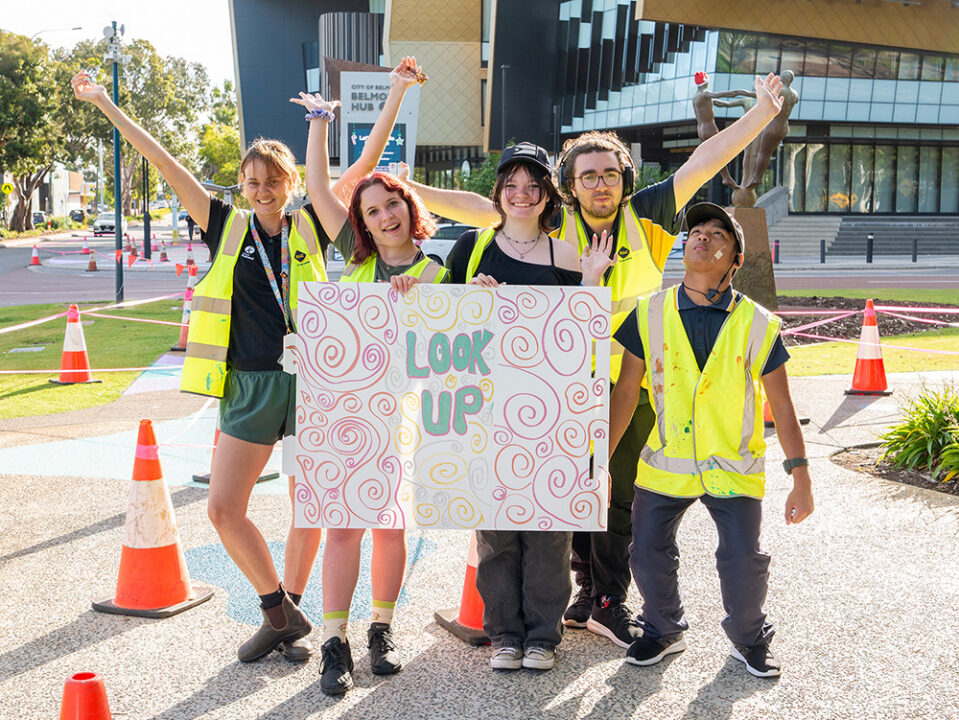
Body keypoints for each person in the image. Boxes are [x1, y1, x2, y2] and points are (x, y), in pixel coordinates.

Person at [401, 73, 785, 650]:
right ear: (570, 185)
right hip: (560, 384)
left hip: (633, 380)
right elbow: (487, 208)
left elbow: (706, 159)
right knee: (568, 491)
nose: (599, 183)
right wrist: (414, 192)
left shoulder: (649, 212)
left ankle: (609, 600)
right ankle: (582, 596)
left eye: (609, 172)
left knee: (620, 494)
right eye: (587, 175)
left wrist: (760, 115)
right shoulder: (553, 224)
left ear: (624, 178)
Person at [71, 57, 423, 666]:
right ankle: (278, 609)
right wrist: (105, 102)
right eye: (251, 182)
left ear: (291, 182)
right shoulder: (223, 224)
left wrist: (393, 91)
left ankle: (297, 608)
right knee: (223, 508)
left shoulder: (314, 221)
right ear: (242, 186)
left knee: (307, 509)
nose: (262, 192)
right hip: (249, 384)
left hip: (319, 383)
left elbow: (364, 165)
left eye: (273, 181)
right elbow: (162, 160)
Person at [607, 202, 814, 678]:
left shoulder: (758, 323)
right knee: (647, 552)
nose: (700, 236)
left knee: (744, 558)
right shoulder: (649, 313)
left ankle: (748, 638)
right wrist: (598, 462)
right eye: (695, 231)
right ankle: (661, 630)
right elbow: (625, 392)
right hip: (665, 463)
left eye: (717, 233)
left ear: (735, 259)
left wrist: (800, 478)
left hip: (733, 465)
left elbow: (781, 406)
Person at [294, 89, 448, 696]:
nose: (385, 217)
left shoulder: (442, 271)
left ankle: (381, 629)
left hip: (407, 420)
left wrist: (478, 293)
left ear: (409, 207)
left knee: (390, 527)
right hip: (343, 417)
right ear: (361, 223)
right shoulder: (353, 270)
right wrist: (319, 124)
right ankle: (336, 643)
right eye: (373, 211)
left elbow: (465, 348)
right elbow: (316, 188)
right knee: (343, 528)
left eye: (393, 205)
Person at [443, 142, 613, 672]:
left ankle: (542, 635)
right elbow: (443, 333)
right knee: (495, 531)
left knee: (549, 529)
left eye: (533, 184)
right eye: (512, 184)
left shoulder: (567, 256)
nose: (522, 194)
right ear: (498, 193)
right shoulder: (471, 250)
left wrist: (590, 283)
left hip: (553, 413)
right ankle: (504, 635)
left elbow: (582, 337)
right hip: (488, 411)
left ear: (547, 195)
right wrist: (471, 300)